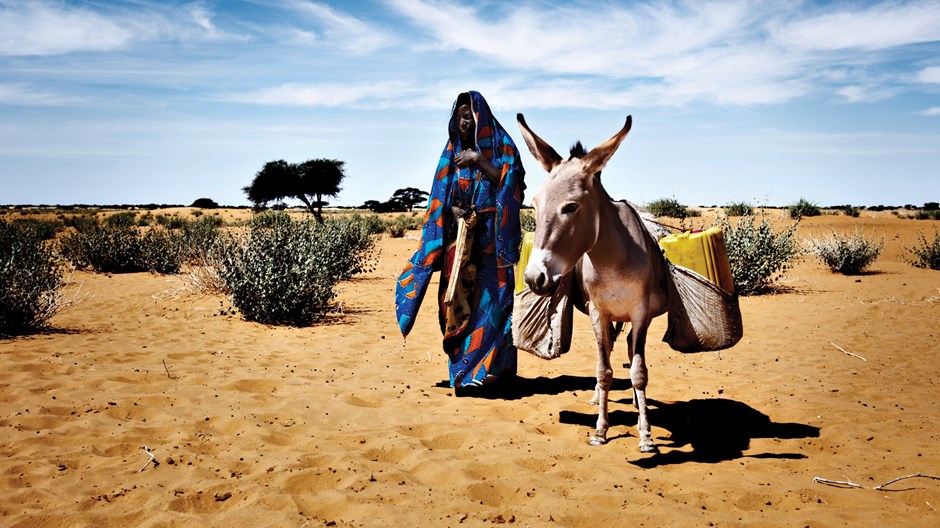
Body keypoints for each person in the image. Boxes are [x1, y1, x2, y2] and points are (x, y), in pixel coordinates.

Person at [395, 91, 525, 393]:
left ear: (482, 120)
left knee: (495, 305)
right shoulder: (451, 153)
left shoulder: (501, 147)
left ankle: (495, 371)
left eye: (469, 117)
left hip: (494, 246)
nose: (463, 122)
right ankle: (463, 370)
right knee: (456, 303)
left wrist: (479, 160)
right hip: (461, 245)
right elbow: (440, 197)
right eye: (459, 117)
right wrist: (454, 211)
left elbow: (513, 184)